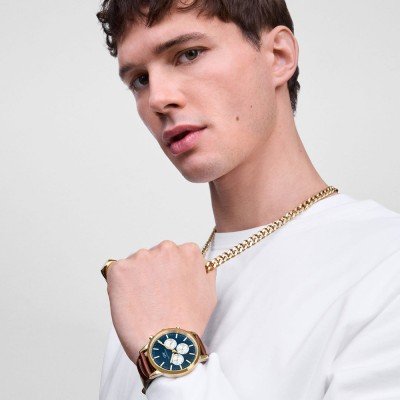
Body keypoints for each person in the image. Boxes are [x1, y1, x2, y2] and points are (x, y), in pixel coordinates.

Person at [96, 1, 400, 399]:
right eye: (139, 79)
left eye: (188, 54)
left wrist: (169, 353)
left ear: (278, 56)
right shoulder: (148, 296)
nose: (158, 98)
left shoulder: (385, 267)